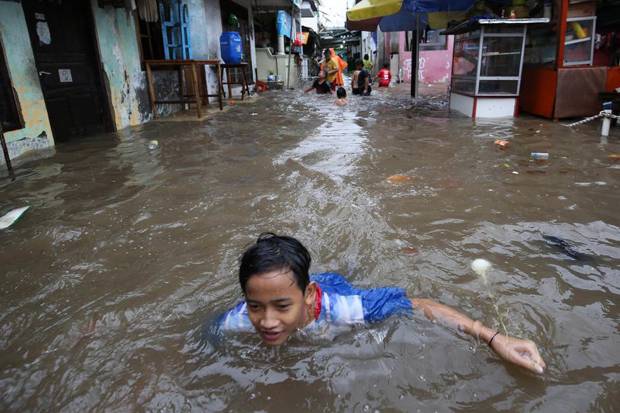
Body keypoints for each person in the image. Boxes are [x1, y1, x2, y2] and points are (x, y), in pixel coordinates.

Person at [215, 233, 547, 375]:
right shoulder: (239, 319)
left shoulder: (346, 310)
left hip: (338, 286)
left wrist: (492, 337)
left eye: (281, 307)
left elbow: (417, 304)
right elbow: (207, 336)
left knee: (350, 274)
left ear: (309, 296)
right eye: (256, 306)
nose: (267, 321)